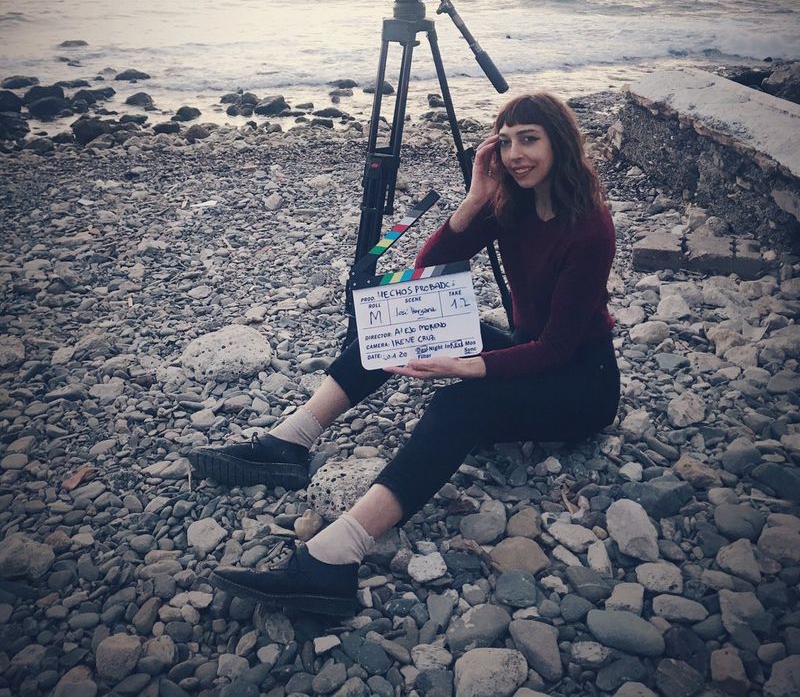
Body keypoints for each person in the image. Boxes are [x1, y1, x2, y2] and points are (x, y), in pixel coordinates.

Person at [189, 91, 619, 617]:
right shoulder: (511, 204)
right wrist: (476, 196)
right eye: (504, 142)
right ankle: (290, 442)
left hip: (581, 384)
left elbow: (556, 349)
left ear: (561, 144)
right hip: (531, 355)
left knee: (457, 407)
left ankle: (336, 558)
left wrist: (465, 368)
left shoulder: (590, 226)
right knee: (398, 317)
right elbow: (429, 264)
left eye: (529, 139)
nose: (515, 155)